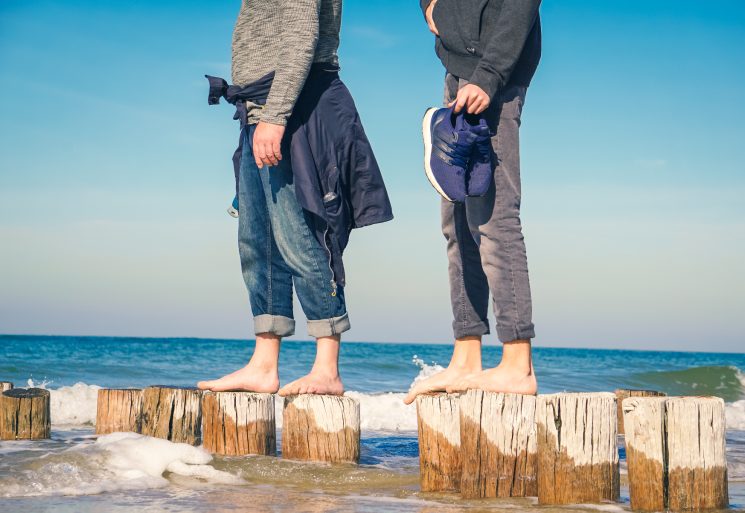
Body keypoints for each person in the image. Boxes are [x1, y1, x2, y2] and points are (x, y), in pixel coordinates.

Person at [199, 0, 392, 396]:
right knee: (259, 242)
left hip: (293, 107)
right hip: (261, 110)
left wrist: (276, 116)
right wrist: (263, 115)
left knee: (301, 236)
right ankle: (264, 364)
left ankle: (327, 368)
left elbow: (303, 34)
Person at [405, 0, 542, 404]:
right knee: (457, 222)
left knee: (495, 222)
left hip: (493, 80)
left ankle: (518, 364)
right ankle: (466, 355)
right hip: (459, 74)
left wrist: (489, 75)